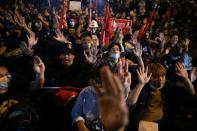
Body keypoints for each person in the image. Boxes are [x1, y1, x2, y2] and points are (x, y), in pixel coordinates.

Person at [127, 62, 196, 131]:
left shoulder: (168, 87)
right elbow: (130, 103)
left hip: (163, 125)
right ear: (148, 76)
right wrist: (140, 84)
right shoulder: (141, 85)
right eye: (155, 76)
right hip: (141, 126)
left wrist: (186, 79)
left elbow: (191, 95)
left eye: (162, 76)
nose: (160, 79)